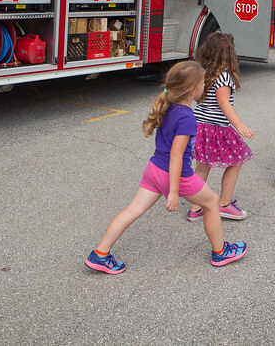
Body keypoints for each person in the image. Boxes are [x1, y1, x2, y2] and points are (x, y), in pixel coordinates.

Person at [85, 61, 247, 274]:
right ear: (192, 90)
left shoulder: (167, 105)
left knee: (133, 209)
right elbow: (177, 156)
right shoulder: (187, 116)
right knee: (212, 203)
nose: (204, 88)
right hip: (176, 176)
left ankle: (100, 253)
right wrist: (173, 191)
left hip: (154, 170)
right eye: (202, 84)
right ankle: (220, 252)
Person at [187, 32, 254, 222]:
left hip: (199, 126)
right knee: (236, 160)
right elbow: (224, 103)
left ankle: (195, 208)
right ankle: (224, 204)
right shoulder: (224, 75)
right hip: (216, 128)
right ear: (228, 54)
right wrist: (239, 124)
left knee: (202, 166)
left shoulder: (202, 72)